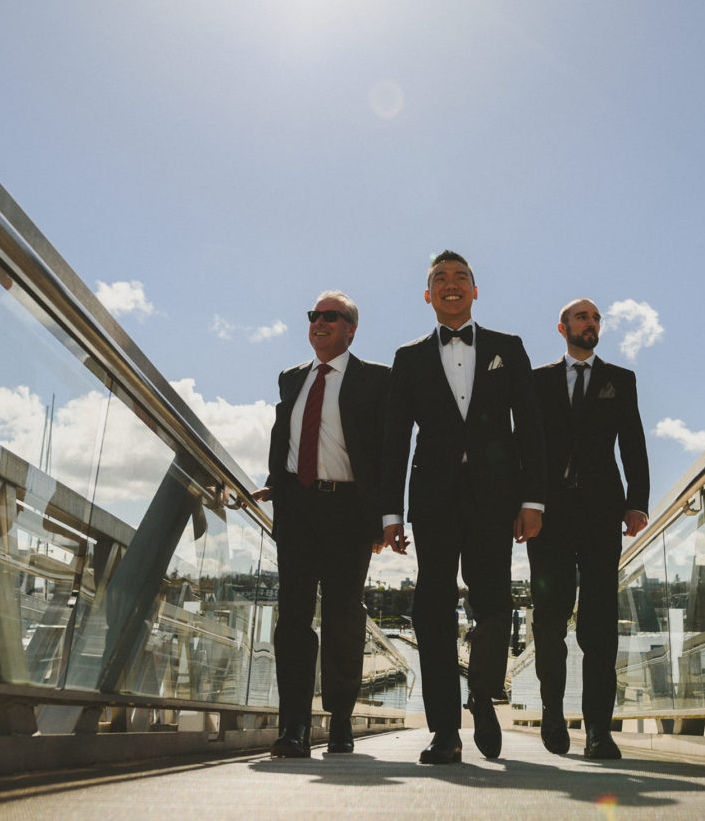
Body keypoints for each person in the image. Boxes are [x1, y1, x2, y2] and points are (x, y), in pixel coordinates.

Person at [381, 250, 545, 764]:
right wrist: (391, 514)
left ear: (476, 291)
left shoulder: (508, 348)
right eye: (440, 280)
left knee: (495, 603)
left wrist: (533, 498)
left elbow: (531, 429)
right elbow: (394, 439)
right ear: (428, 295)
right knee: (430, 609)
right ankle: (445, 732)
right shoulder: (408, 358)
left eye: (461, 278)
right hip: (432, 499)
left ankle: (481, 689)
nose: (451, 285)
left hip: (497, 498)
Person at [254, 291, 389, 758]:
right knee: (291, 618)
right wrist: (275, 483)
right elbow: (287, 437)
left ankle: (340, 721)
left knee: (342, 617)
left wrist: (384, 519)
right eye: (314, 315)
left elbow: (388, 455)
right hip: (296, 510)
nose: (319, 322)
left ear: (351, 328)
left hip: (348, 511)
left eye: (331, 316)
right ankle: (293, 726)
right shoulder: (291, 378)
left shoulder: (376, 380)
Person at [527, 298, 649, 759]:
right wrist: (525, 504)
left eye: (597, 318)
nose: (591, 323)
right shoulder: (537, 381)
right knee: (549, 621)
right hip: (548, 517)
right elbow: (525, 447)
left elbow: (633, 442)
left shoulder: (621, 380)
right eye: (583, 317)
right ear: (563, 327)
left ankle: (599, 729)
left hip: (601, 516)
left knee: (598, 627)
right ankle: (553, 714)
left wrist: (637, 501)